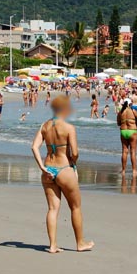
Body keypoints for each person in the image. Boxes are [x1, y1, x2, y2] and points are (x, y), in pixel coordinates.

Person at [31, 96, 94, 254]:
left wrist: (42, 167)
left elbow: (34, 147)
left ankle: (52, 245)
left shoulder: (44, 126)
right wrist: (74, 163)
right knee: (75, 207)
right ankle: (80, 243)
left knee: (52, 209)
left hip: (48, 169)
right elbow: (75, 152)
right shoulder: (69, 127)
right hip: (64, 168)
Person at [117, 98, 137, 176]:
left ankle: (123, 170)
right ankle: (134, 170)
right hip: (132, 131)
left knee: (124, 151)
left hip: (123, 131)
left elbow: (118, 123)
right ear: (130, 104)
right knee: (133, 151)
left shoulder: (120, 112)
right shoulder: (133, 111)